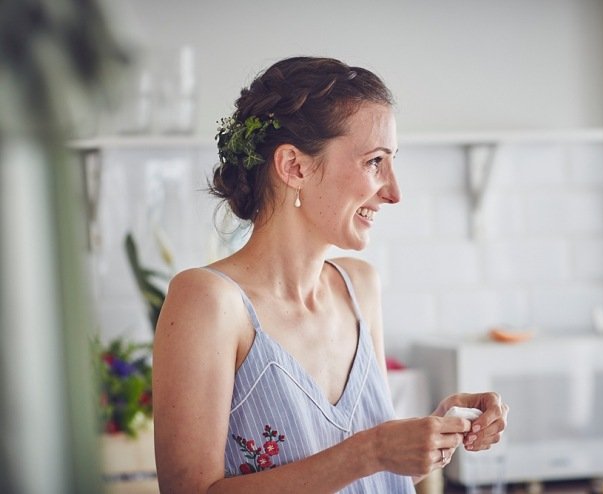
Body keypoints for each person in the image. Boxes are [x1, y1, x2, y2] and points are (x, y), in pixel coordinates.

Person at [152, 56, 508, 493]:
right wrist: (371, 450)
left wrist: (433, 436)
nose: (395, 193)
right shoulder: (208, 301)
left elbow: (366, 479)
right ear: (294, 167)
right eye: (375, 161)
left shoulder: (359, 286)